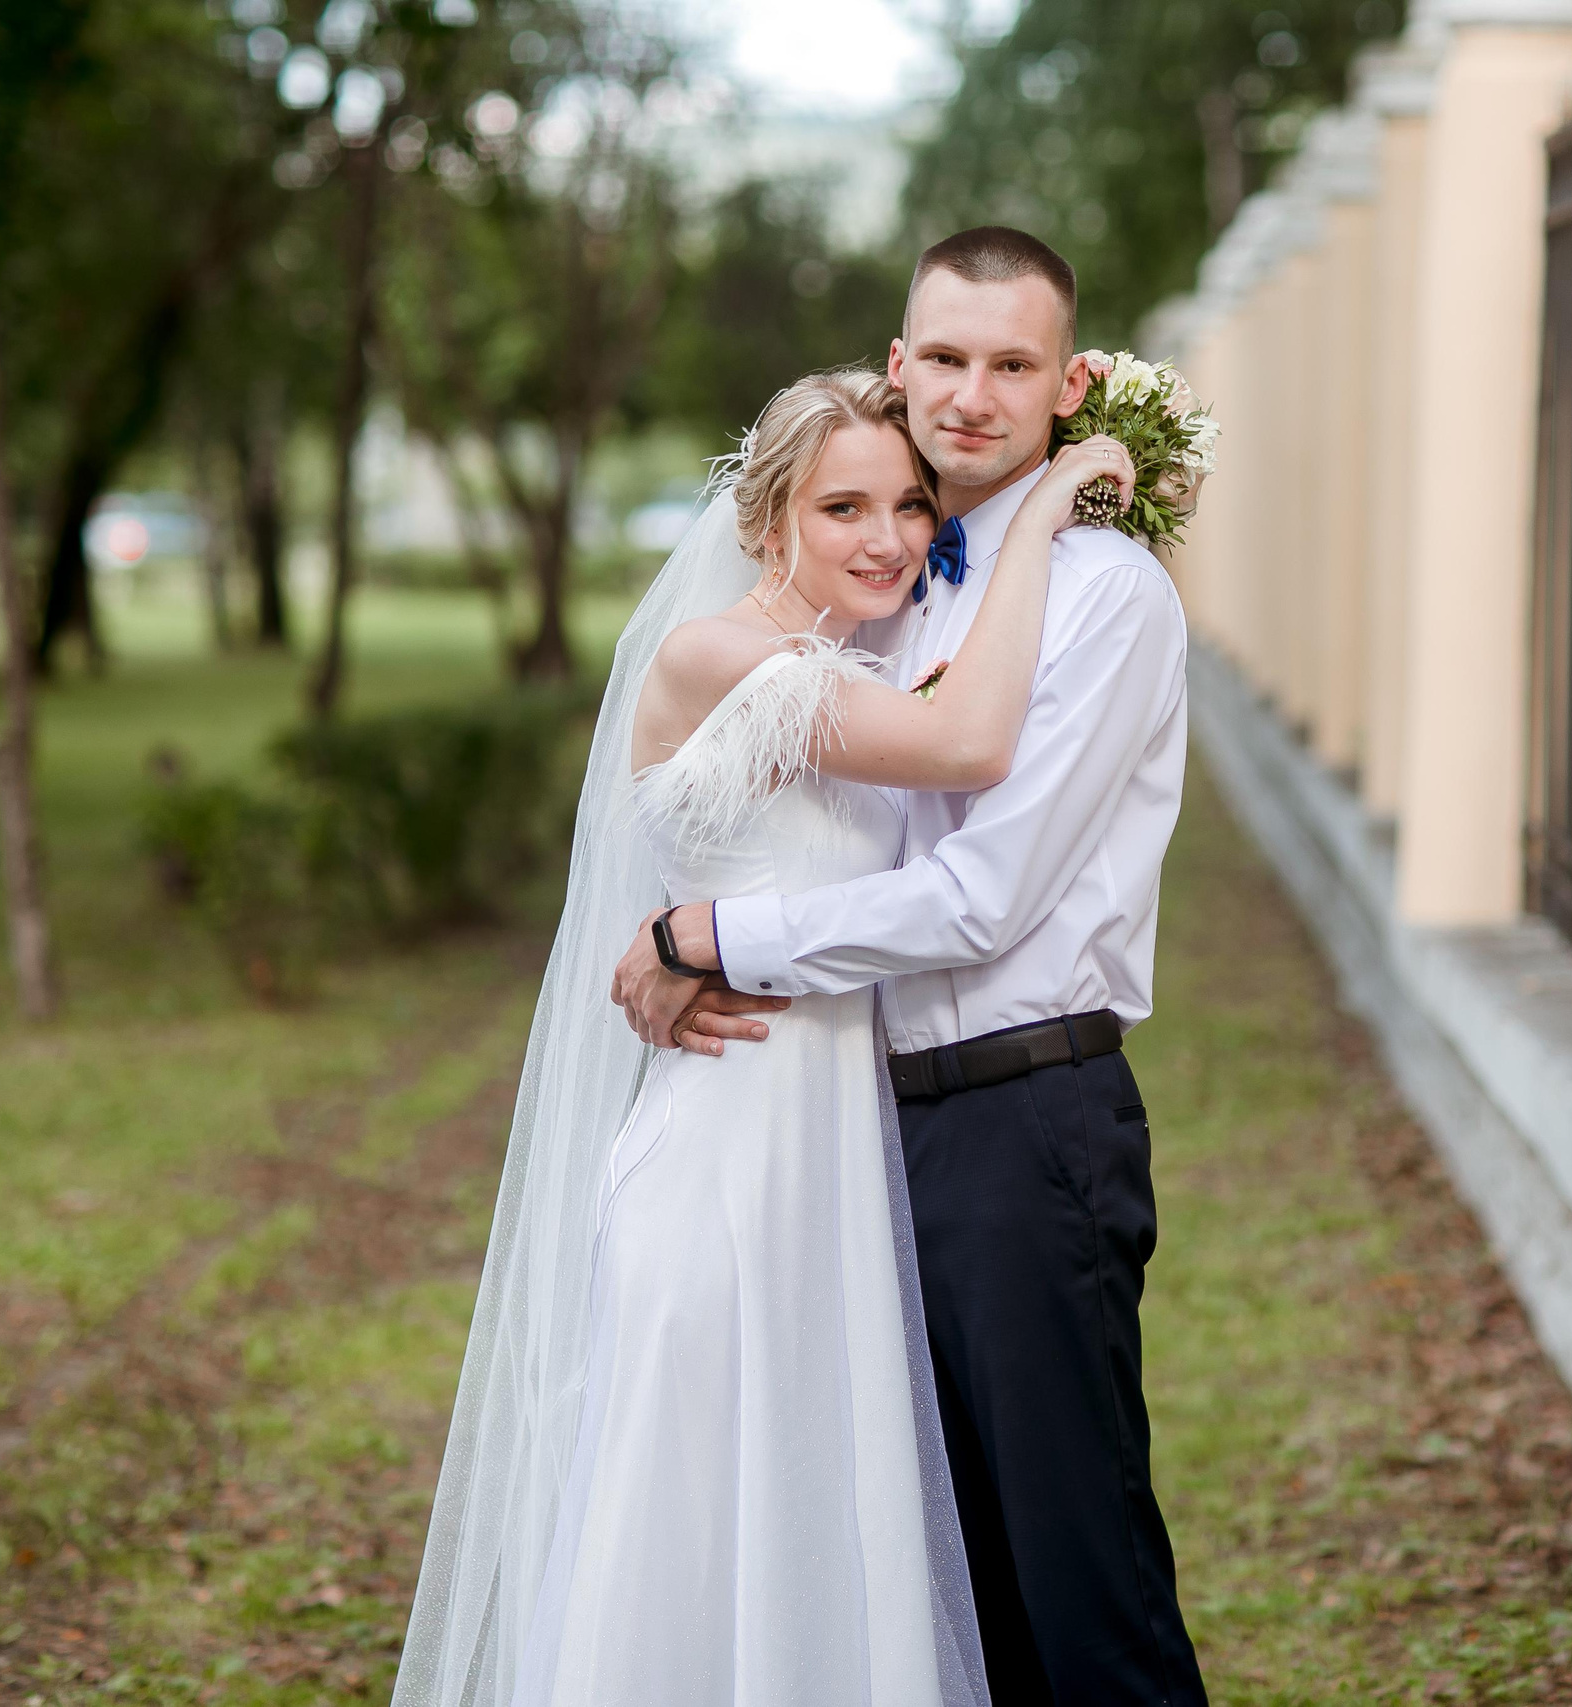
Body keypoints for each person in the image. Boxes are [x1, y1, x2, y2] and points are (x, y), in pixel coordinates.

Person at [393, 364, 1136, 1707]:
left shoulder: (848, 664)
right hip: (733, 1149)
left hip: (828, 1142)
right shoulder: (730, 659)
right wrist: (1036, 519)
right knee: (691, 1512)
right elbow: (969, 744)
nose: (891, 537)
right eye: (842, 505)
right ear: (763, 523)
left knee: (808, 1504)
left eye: (913, 506)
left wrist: (687, 940)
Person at [619, 227, 1210, 1707]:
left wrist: (712, 938)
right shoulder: (884, 582)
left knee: (1084, 1602)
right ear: (898, 364)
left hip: (1025, 1125)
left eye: (1013, 364)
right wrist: (675, 930)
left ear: (1067, 383)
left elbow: (978, 898)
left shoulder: (1101, 595)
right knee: (954, 1602)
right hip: (859, 1133)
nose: (970, 394)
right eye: (943, 357)